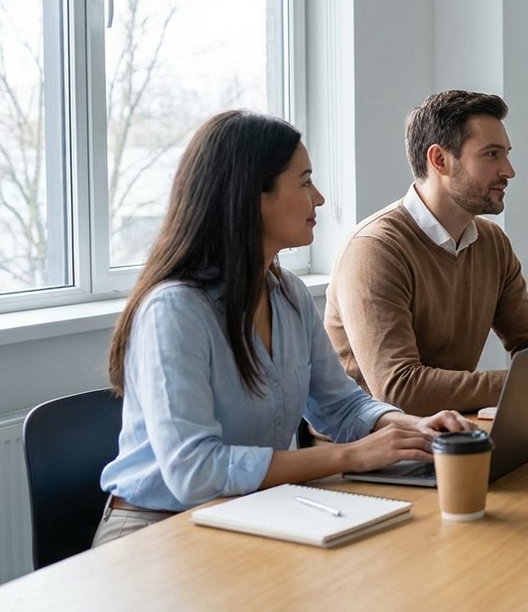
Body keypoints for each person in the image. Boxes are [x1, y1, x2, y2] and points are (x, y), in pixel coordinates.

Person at [96, 110, 476, 545]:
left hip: (249, 512)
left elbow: (341, 406)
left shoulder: (288, 293)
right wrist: (351, 456)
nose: (320, 199)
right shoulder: (175, 310)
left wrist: (412, 427)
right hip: (153, 529)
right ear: (253, 196)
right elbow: (195, 473)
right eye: (305, 182)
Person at [325, 90, 528, 415]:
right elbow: (399, 389)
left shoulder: (491, 241)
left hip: (449, 429)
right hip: (370, 441)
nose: (509, 171)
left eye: (506, 155)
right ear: (439, 160)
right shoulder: (375, 250)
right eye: (491, 155)